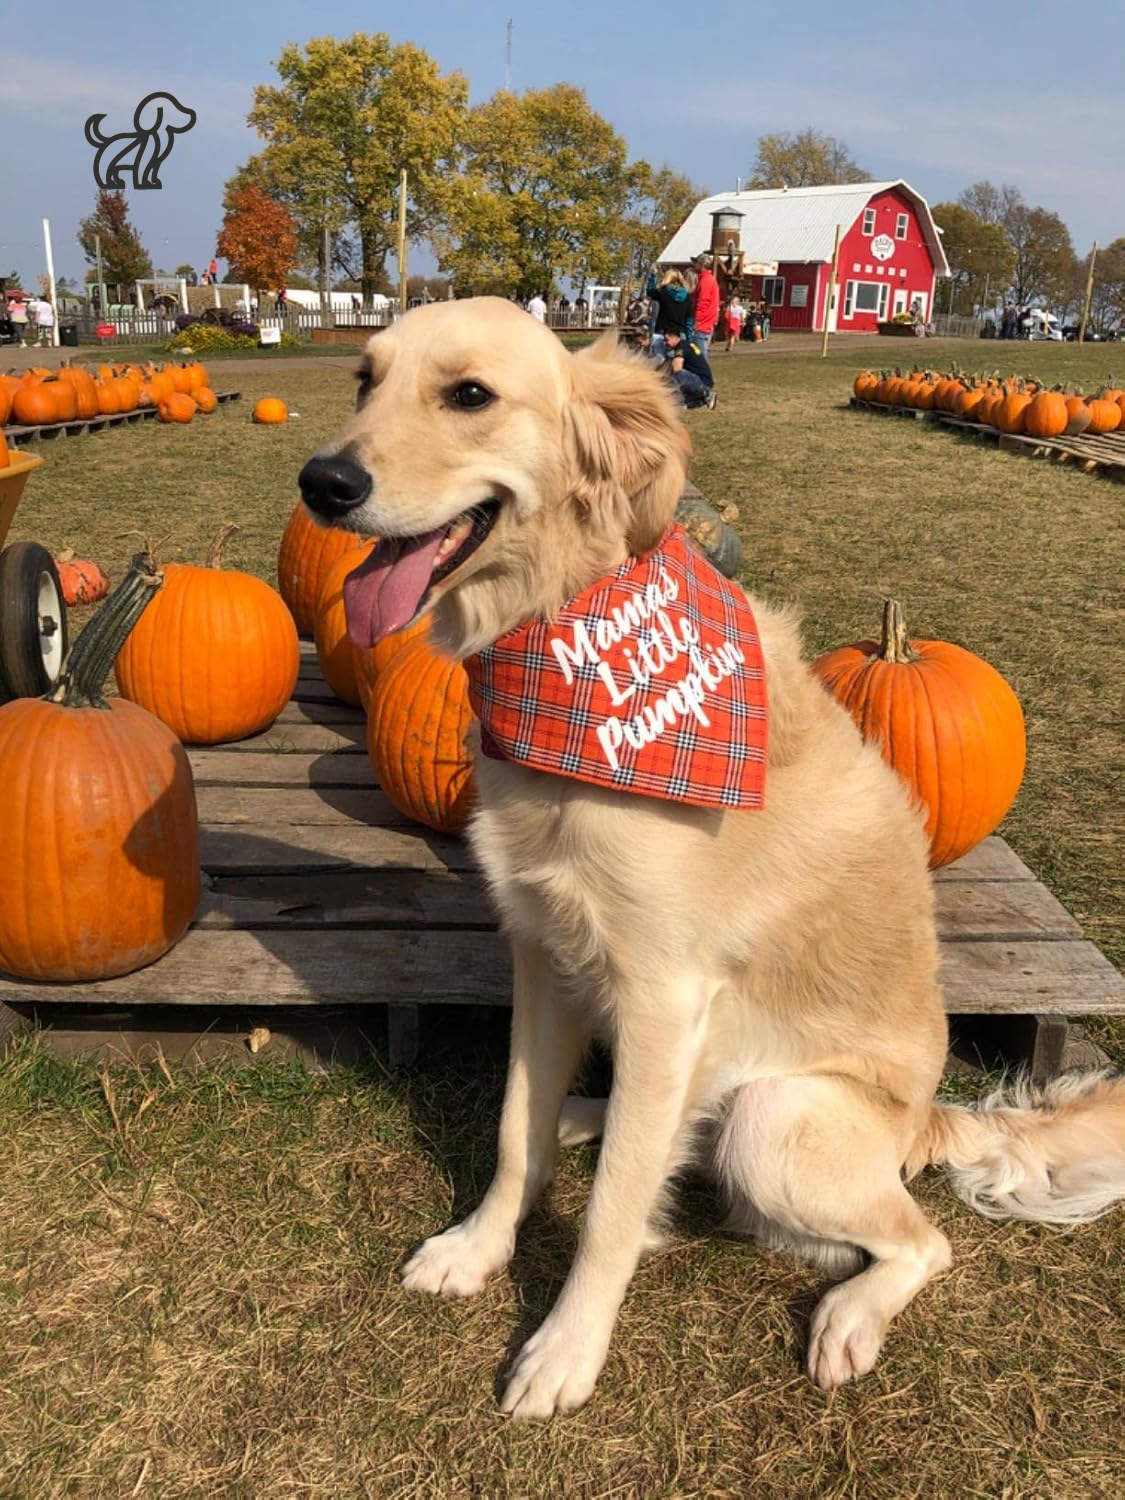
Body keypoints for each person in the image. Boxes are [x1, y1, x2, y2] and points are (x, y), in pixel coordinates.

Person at [661, 327, 717, 409]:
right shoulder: (686, 344)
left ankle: (706, 393)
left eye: (666, 340)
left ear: (674, 337)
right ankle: (700, 400)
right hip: (702, 380)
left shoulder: (681, 347)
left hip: (702, 382)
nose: (664, 343)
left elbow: (677, 368)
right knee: (683, 403)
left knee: (677, 375)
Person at [645, 267, 692, 363]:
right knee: (676, 363)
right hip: (680, 335)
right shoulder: (688, 297)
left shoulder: (663, 292)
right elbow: (689, 320)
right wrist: (689, 338)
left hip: (663, 332)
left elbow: (650, 291)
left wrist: (653, 276)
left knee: (658, 362)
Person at [689, 252, 720, 352]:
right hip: (706, 323)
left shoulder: (705, 281)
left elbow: (702, 302)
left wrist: (696, 321)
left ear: (701, 265)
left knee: (700, 356)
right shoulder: (708, 279)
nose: (694, 265)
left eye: (696, 263)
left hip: (702, 324)